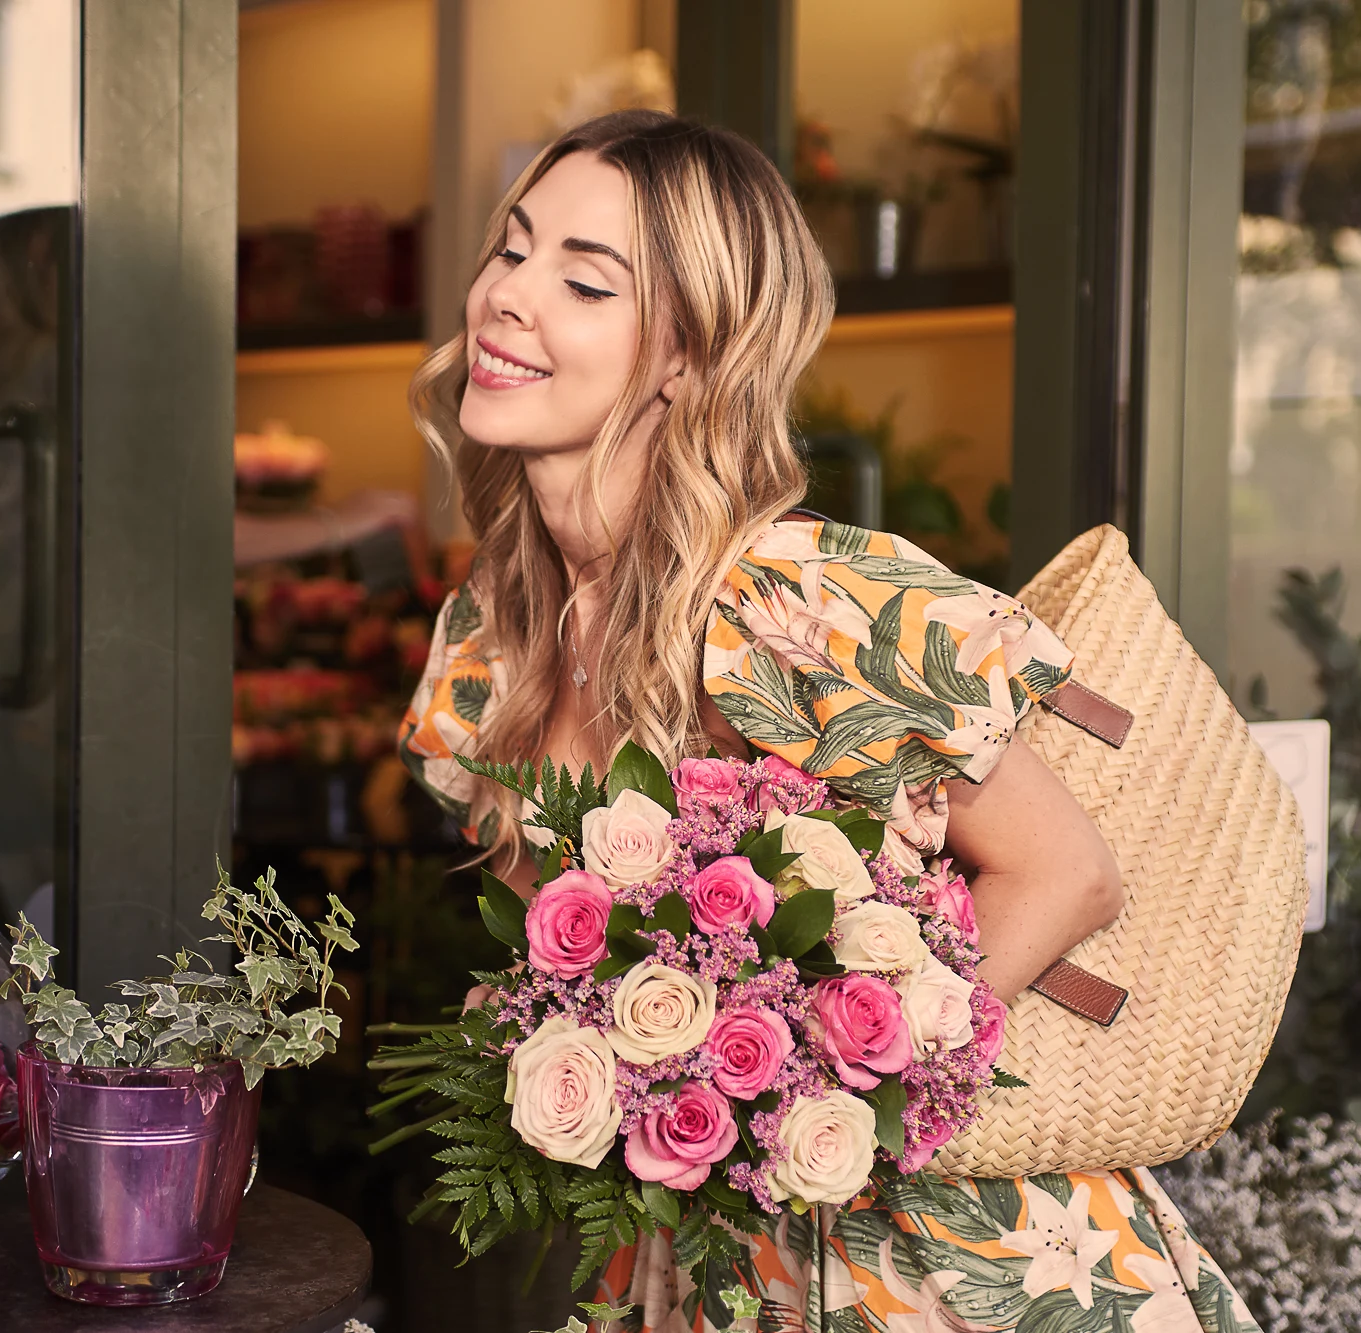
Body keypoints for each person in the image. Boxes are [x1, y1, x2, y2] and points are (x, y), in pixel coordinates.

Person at [400, 110, 1260, 1333]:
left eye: (583, 282)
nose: (507, 296)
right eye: (510, 250)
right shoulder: (492, 645)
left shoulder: (790, 602)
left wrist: (817, 1087)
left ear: (686, 356)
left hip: (954, 1270)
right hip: (703, 1257)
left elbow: (1066, 874)